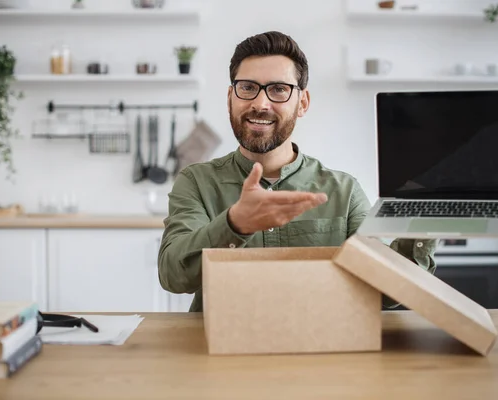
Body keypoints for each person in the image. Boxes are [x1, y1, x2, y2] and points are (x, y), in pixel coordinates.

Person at [158, 31, 438, 312]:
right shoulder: (195, 181)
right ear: (231, 96)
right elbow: (173, 276)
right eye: (247, 87)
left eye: (278, 89)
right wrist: (234, 225)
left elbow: (383, 292)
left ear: (302, 103)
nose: (260, 103)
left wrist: (428, 220)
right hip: (219, 349)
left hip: (318, 348)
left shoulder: (344, 191)